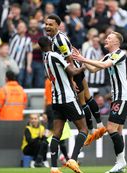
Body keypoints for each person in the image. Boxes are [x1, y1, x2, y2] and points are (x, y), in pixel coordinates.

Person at [72, 31, 127, 173]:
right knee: (118, 130)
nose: (106, 39)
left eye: (109, 38)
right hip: (118, 96)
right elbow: (94, 69)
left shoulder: (120, 53)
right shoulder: (108, 55)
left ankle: (120, 161)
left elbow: (105, 65)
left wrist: (83, 58)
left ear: (116, 43)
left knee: (111, 128)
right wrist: (81, 59)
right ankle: (120, 163)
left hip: (123, 96)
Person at [45, 14, 106, 145]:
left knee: (82, 102)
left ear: (57, 25)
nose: (47, 26)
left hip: (74, 72)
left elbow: (68, 59)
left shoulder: (58, 41)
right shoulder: (60, 36)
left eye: (50, 24)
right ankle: (99, 125)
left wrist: (71, 79)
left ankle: (91, 130)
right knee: (88, 97)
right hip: (77, 69)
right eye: (46, 24)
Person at [38, 36, 88, 173]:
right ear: (50, 44)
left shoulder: (45, 58)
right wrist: (85, 65)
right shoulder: (54, 55)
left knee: (56, 134)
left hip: (56, 100)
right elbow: (72, 71)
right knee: (84, 129)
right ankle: (73, 159)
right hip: (68, 98)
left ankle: (54, 167)